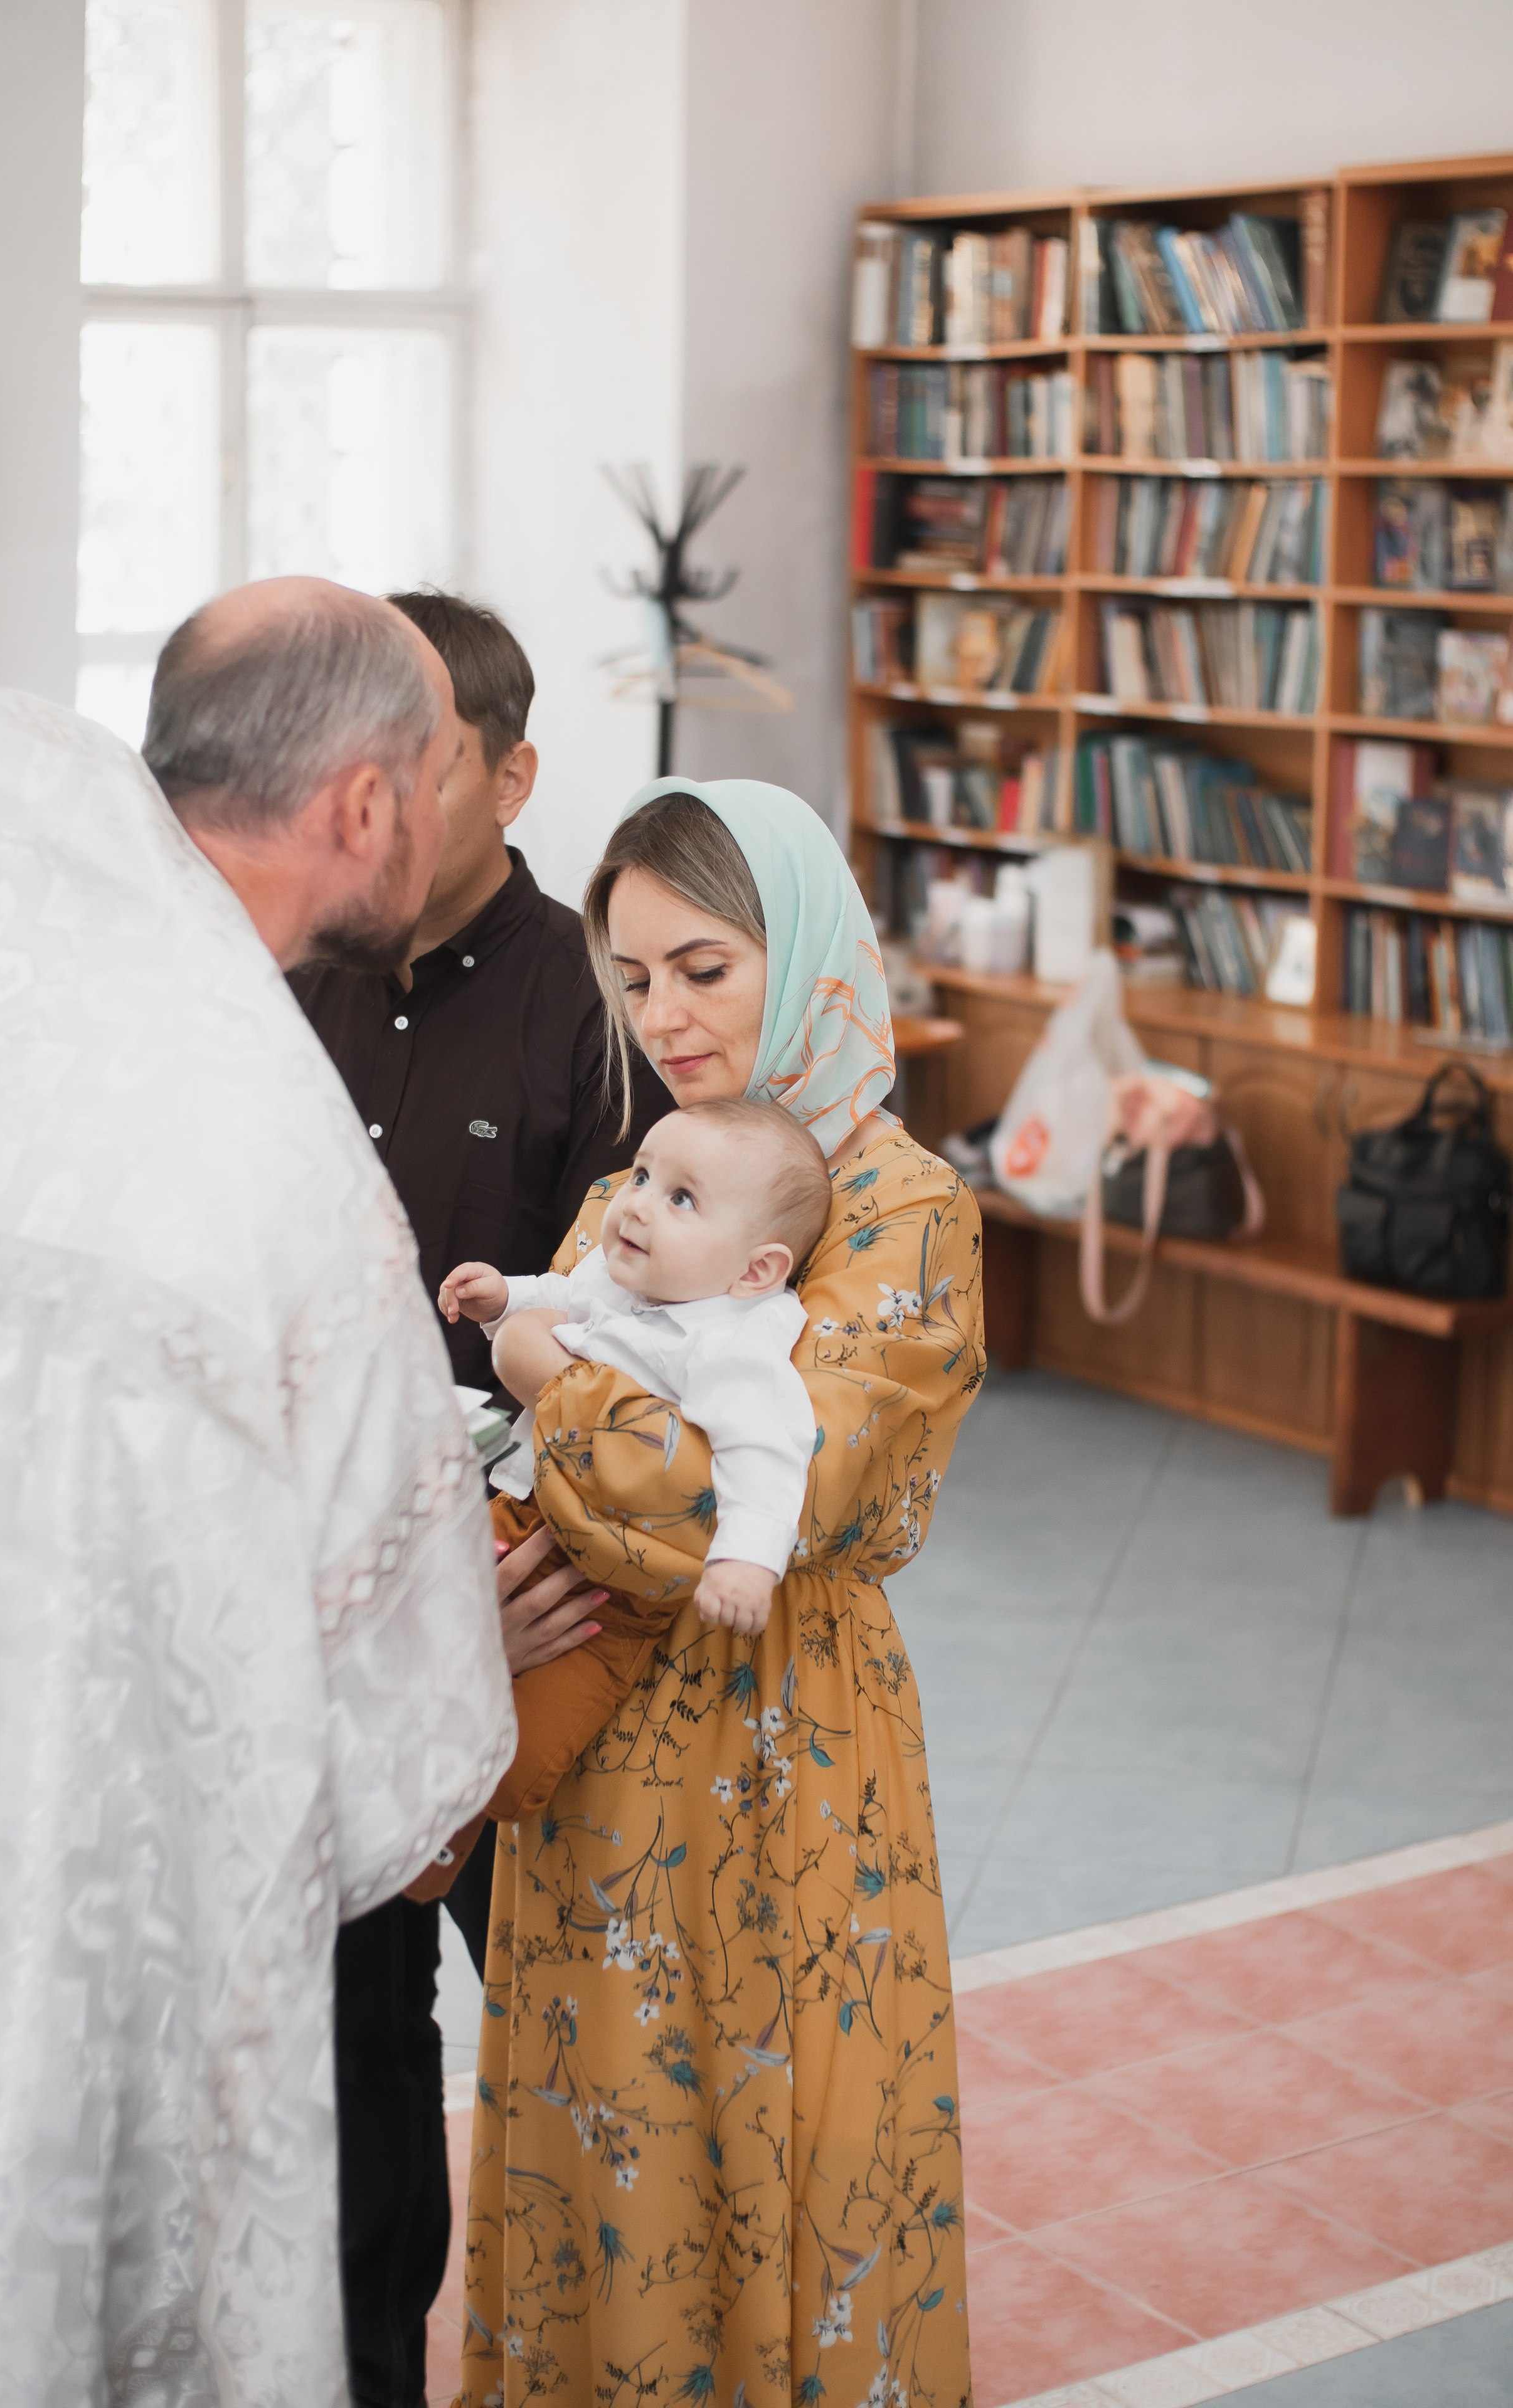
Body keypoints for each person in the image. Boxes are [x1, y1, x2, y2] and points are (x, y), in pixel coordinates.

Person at [0, 577, 518, 2408]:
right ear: (360, 804)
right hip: (126, 1926)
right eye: (434, 774)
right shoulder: (270, 1152)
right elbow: (405, 1786)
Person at [455, 778, 985, 2408]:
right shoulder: (660, 1171)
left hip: (791, 1762)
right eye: (633, 977)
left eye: (704, 966)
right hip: (604, 1774)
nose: (663, 1016)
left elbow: (716, 1503)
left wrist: (544, 1370)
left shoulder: (904, 1216)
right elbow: (562, 1476)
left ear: (804, 947)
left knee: (798, 2161)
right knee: (607, 2169)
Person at [289, 588, 669, 2408]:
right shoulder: (289, 968)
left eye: (418, 754)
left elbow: (642, 1348)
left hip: (538, 1632)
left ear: (513, 775)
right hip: (335, 1636)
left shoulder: (605, 1015)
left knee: (576, 2026)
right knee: (363, 2049)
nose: (371, 790)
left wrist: (507, 1585)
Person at [422, 1097, 832, 1882]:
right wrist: (502, 1298)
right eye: (642, 1176)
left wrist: (747, 1559)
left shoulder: (733, 1340)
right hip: (515, 1506)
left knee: (519, 1761)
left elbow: (766, 1448)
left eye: (680, 1198)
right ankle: (402, 1837)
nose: (636, 1204)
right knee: (408, 1633)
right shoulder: (617, 1281)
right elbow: (557, 1297)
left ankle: (447, 1822)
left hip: (604, 1586)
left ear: (755, 1269)